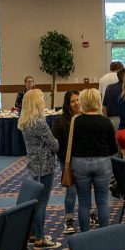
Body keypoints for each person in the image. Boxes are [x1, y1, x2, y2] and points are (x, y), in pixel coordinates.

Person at [18, 89, 61, 249]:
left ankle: (34, 233)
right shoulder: (39, 123)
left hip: (34, 164)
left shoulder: (25, 121)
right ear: (36, 102)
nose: (44, 100)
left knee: (36, 201)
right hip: (45, 166)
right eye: (42, 98)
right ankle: (40, 238)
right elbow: (54, 144)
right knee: (42, 203)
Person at [70, 88, 117, 231]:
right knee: (102, 201)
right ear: (98, 101)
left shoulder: (75, 121)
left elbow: (70, 145)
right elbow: (113, 148)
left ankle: (85, 235)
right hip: (102, 162)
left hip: (80, 162)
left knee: (84, 202)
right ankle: (104, 233)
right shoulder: (105, 121)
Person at [52, 89, 81, 235]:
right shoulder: (60, 121)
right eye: (73, 101)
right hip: (68, 162)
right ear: (67, 104)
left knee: (86, 190)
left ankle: (89, 214)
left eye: (78, 100)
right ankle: (68, 220)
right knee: (71, 192)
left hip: (84, 161)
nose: (76, 103)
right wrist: (66, 158)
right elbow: (56, 145)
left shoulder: (84, 118)